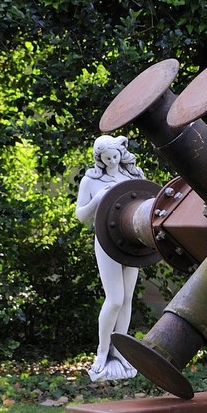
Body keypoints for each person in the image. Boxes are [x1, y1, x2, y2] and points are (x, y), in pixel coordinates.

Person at [74, 135, 145, 381]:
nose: (112, 161)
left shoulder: (134, 176)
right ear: (100, 159)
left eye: (115, 156)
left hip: (133, 243)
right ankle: (102, 352)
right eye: (107, 158)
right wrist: (98, 198)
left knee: (126, 301)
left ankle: (120, 351)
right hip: (106, 242)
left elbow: (147, 203)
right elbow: (81, 216)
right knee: (114, 299)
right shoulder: (90, 181)